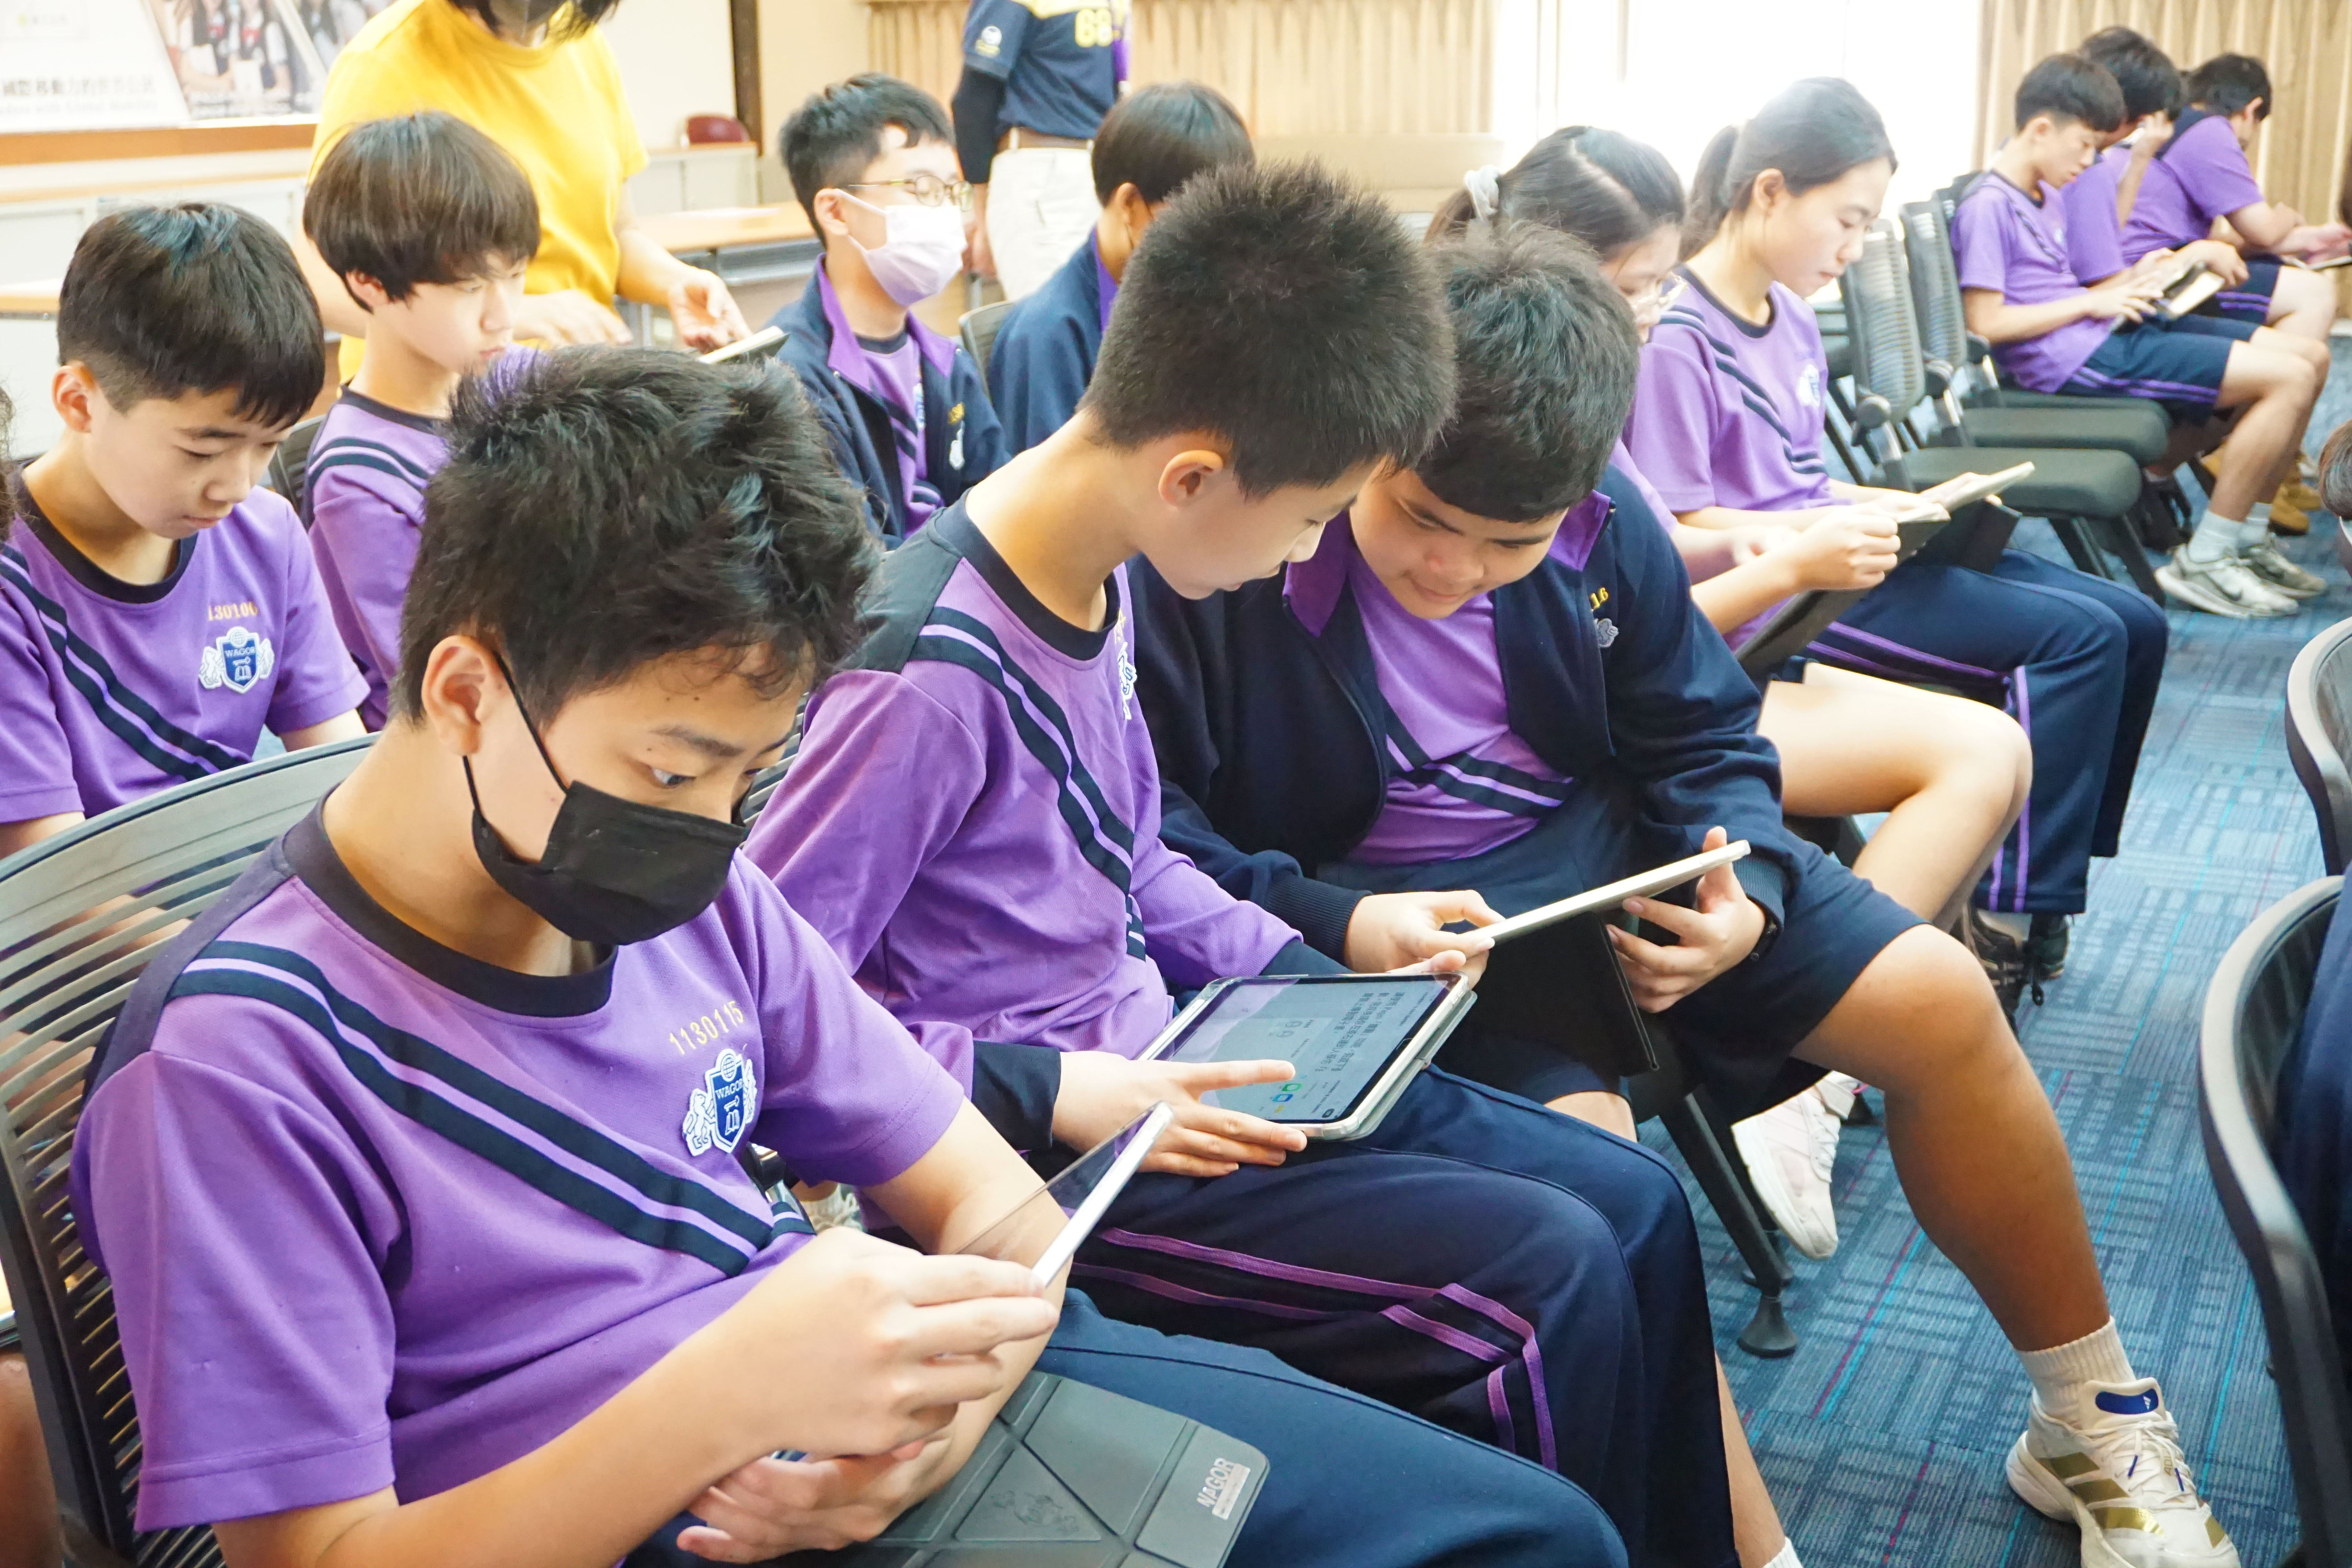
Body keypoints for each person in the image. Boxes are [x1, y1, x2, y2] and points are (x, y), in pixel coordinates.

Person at [67, 345, 1625, 1568]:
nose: (713, 832)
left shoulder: (691, 895)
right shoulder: (236, 1061)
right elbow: (321, 1556)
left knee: (1524, 1536)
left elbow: (993, 1204)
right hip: (643, 1514)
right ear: (470, 690)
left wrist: (943, 1415)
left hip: (879, 1438)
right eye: (676, 769)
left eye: (750, 778)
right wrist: (724, 1396)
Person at [1134, 197, 2240, 1568]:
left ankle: (2091, 1420)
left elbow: (1704, 734)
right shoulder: (1249, 547)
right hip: (1408, 934)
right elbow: (1157, 834)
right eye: (1421, 517)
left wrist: (1746, 886)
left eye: (1509, 544)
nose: (1453, 570)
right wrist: (1338, 920)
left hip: (1610, 862)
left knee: (1943, 1002)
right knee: (1604, 1196)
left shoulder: (1604, 520)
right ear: (1374, 439)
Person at [752, 163, 1774, 1568]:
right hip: (1047, 1152)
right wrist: (1057, 1087)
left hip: (1181, 1058)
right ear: (1192, 478)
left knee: (1635, 1202)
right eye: (1309, 519)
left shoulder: (1094, 568)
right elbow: (769, 1017)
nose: (1309, 554)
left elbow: (1133, 865)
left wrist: (1324, 968)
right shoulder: (922, 673)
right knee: (1542, 1280)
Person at [1429, 125, 2032, 1256]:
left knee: (1990, 752)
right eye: (1634, 286)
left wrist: (1782, 531)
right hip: (1636, 736)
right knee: (1978, 744)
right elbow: (1620, 643)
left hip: (1688, 702)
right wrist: (1784, 561)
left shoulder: (1623, 388)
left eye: (1659, 284)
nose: (1651, 309)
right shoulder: (1518, 431)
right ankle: (1813, 1068)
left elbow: (1657, 570)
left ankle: (1823, 1059)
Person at [1626, 77, 2169, 1015]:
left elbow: (1798, 477)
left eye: (1867, 226)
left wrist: (1894, 501)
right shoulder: (1680, 335)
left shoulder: (1791, 313)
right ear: (1769, 192)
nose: (1852, 249)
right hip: (1789, 587)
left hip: (1842, 546)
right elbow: (1687, 526)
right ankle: (2011, 913)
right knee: (2077, 640)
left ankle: (2046, 875)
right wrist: (1819, 528)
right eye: (1846, 222)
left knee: (2133, 620)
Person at [0, 205, 366, 860]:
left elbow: (342, 783)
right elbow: (58, 880)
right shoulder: (14, 587)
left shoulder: (266, 534)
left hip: (244, 902)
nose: (237, 485)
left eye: (268, 446)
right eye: (203, 450)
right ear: (80, 403)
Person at [1956, 53, 2328, 617]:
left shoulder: (2041, 193)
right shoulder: (1988, 206)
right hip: (2074, 356)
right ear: (2041, 130)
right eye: (2085, 145)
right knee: (2289, 377)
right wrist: (2094, 301)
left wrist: (2154, 271)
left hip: (2098, 331)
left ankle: (2246, 541)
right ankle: (2209, 557)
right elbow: (1985, 324)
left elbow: (2078, 280)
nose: (2090, 161)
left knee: (2309, 358)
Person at [297, 0, 748, 381]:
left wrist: (676, 283)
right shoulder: (386, 60)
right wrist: (511, 316)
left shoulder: (584, 45)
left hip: (573, 392)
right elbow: (322, 281)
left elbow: (616, 234)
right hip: (443, 405)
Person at [303, 109, 538, 728]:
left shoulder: (521, 380)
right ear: (370, 284)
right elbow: (450, 689)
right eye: (470, 289)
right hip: (463, 743)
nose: (503, 316)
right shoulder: (358, 481)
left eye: (515, 277)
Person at [774, 76, 1004, 544]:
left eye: (951, 190)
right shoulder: (789, 379)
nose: (949, 213)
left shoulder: (946, 360)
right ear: (836, 212)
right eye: (922, 188)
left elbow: (1003, 508)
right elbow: (845, 560)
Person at [987, 79, 1253, 453]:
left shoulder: (1194, 304)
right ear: (1129, 205)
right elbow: (1047, 486)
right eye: (1198, 222)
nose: (1216, 246)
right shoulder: (1046, 337)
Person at [2119, 52, 2352, 341]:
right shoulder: (2208, 129)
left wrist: (2309, 239)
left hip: (2138, 266)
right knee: (2315, 294)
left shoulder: (2174, 125)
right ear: (2251, 111)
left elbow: (2215, 243)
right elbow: (2264, 232)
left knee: (2272, 270)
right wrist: (2289, 216)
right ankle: (2282, 369)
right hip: (2151, 275)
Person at [953, 0, 1127, 298]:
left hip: (1090, 172)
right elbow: (974, 100)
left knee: (1083, 313)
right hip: (1044, 171)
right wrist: (981, 216)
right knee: (1053, 312)